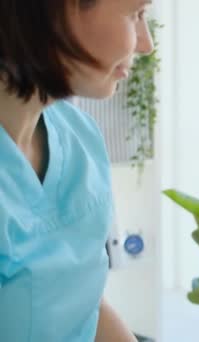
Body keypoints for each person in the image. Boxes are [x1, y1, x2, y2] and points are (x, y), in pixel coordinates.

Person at [0, 1, 153, 341]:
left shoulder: (79, 136)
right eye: (135, 14)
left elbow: (85, 308)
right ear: (55, 11)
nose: (145, 43)